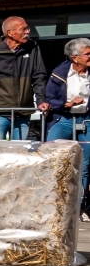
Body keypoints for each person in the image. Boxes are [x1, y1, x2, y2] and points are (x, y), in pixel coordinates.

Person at [45, 37, 90, 222]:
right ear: (75, 58)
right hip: (63, 119)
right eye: (87, 54)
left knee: (84, 166)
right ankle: (53, 206)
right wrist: (68, 103)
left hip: (86, 120)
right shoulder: (59, 73)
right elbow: (50, 98)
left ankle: (79, 208)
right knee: (53, 158)